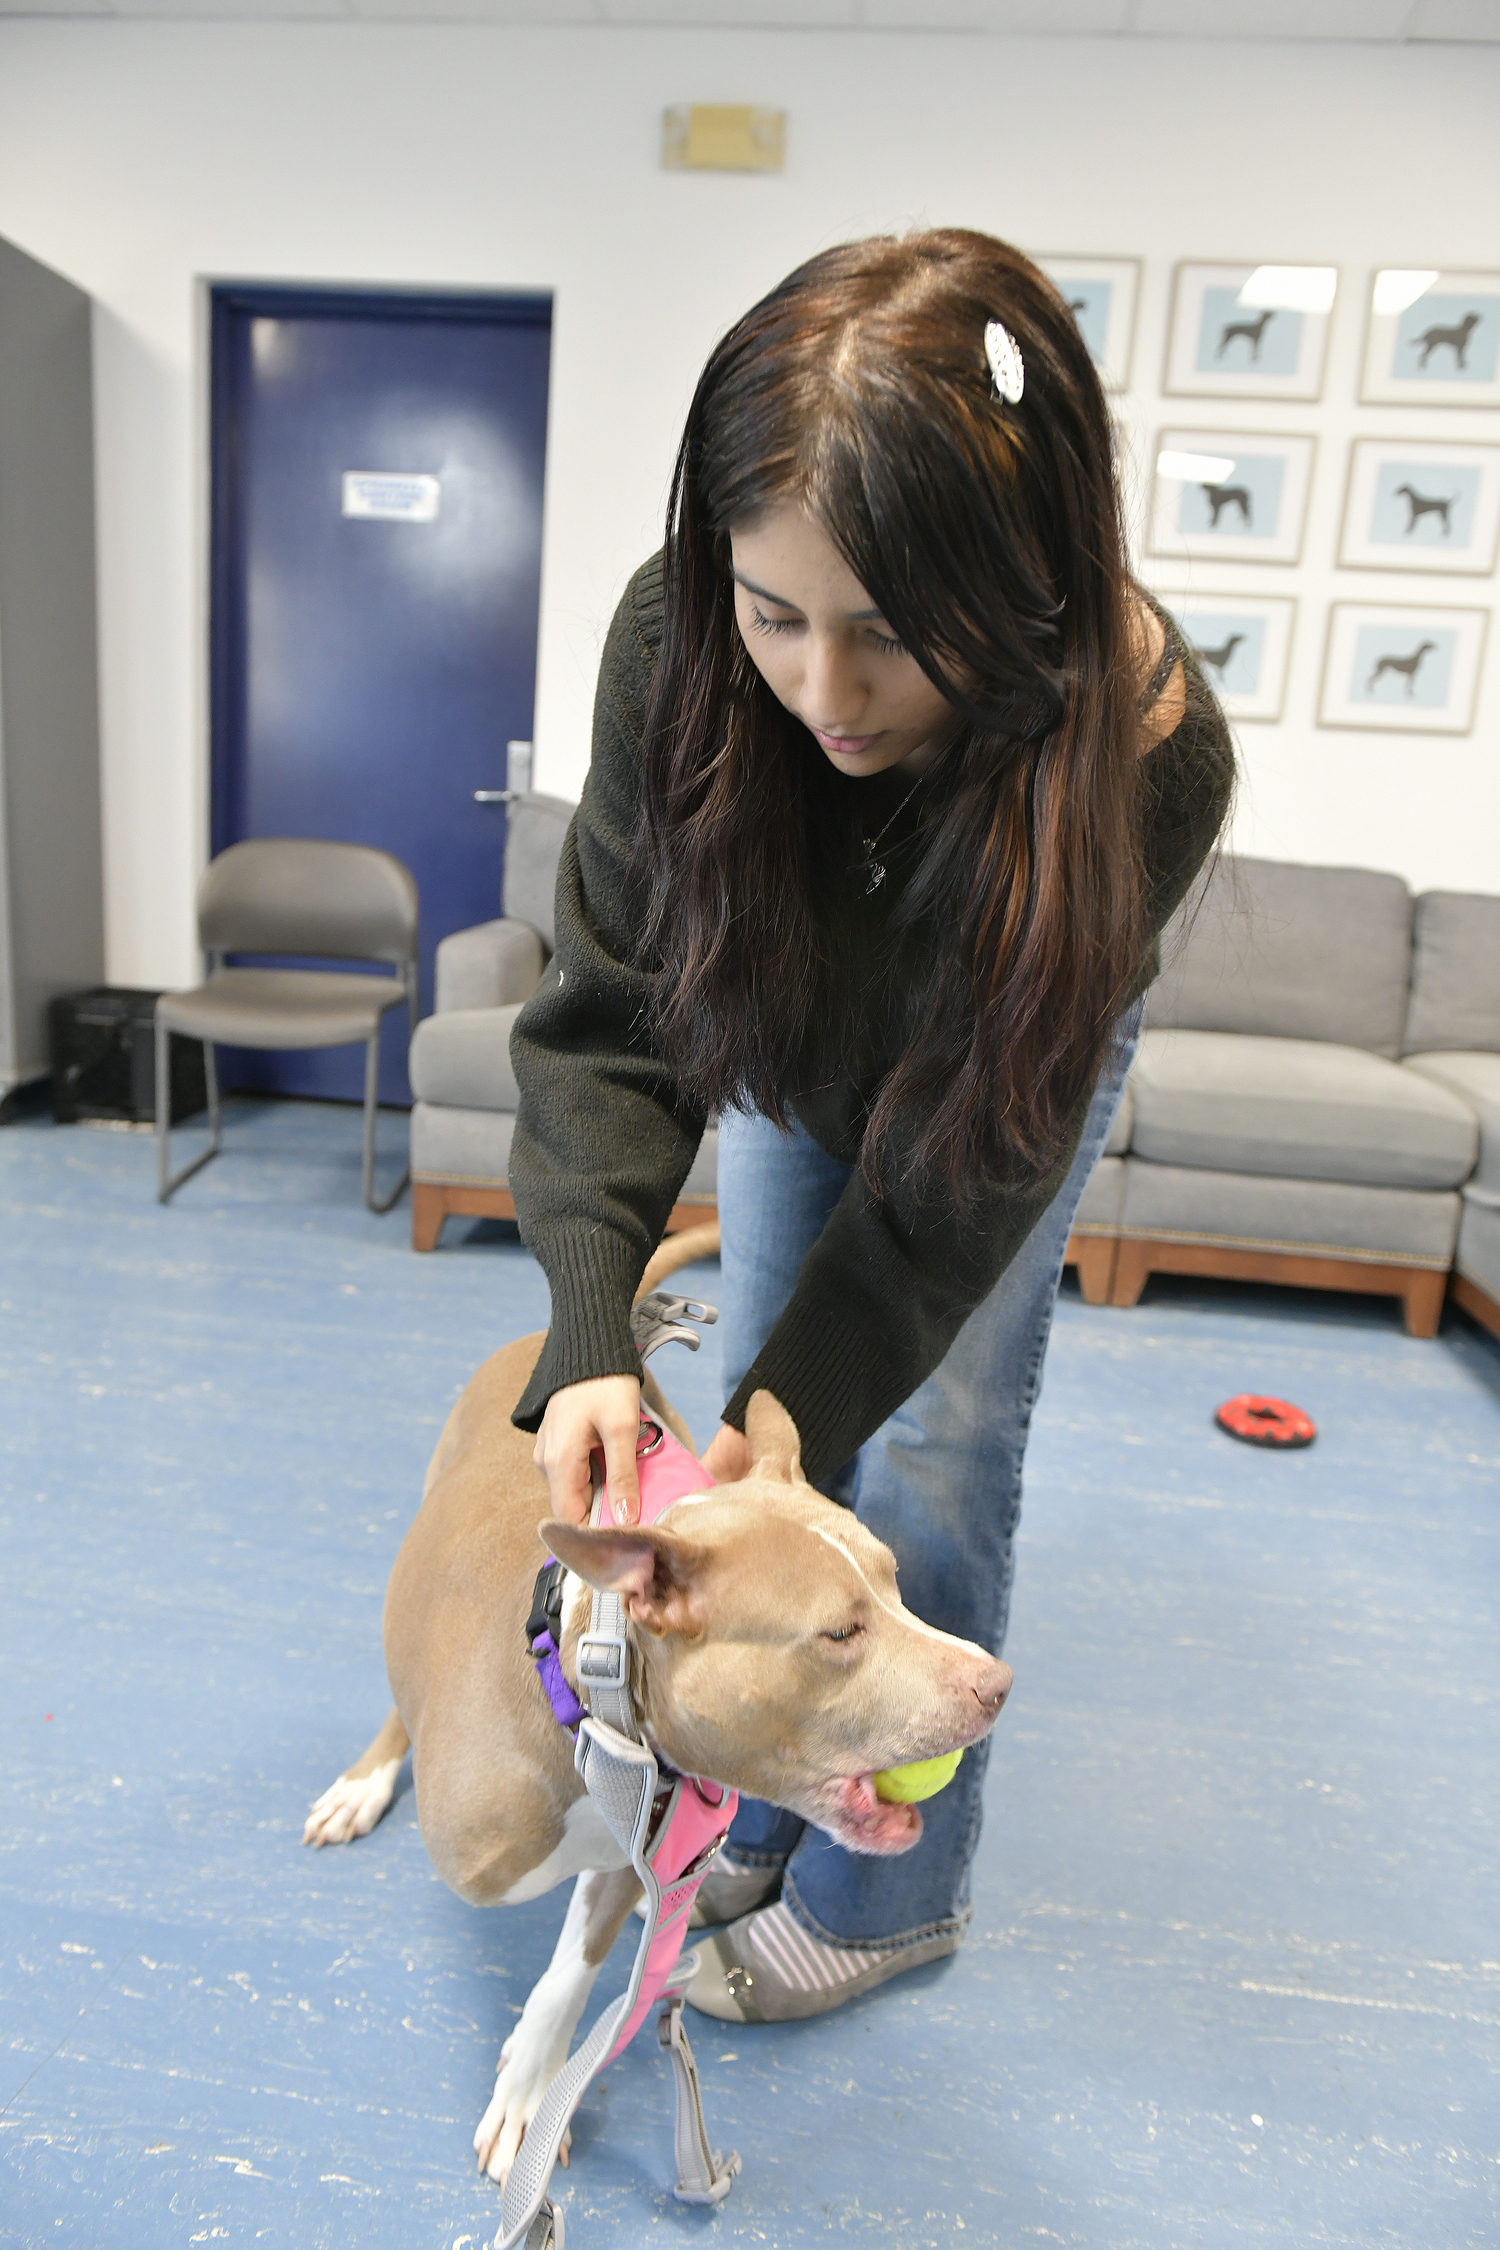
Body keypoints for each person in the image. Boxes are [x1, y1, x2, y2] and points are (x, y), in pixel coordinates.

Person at [507, 229, 1234, 2024]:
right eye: (775, 616)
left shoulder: (1142, 749)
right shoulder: (677, 640)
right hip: (791, 1016)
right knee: (771, 1400)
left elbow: (940, 1195)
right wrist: (594, 1328)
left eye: (890, 637)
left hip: (996, 1049)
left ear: (1014, 593)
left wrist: (806, 1407)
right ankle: (779, 1777)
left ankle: (890, 1885)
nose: (821, 696)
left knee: (927, 1438)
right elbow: (614, 999)